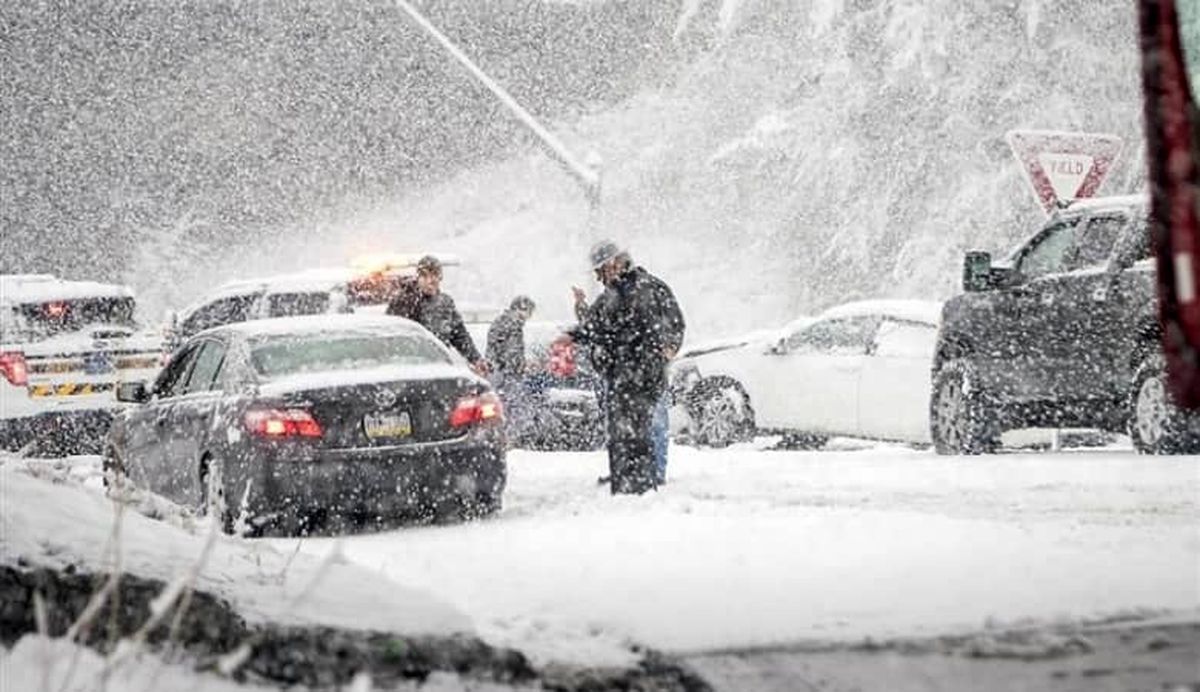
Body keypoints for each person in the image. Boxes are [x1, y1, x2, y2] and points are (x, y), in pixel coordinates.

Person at [568, 241, 684, 494]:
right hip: (622, 374)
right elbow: (594, 325)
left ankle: (652, 474)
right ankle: (630, 476)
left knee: (653, 425)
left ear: (616, 263)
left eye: (602, 271)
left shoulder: (649, 288)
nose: (599, 278)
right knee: (626, 430)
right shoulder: (612, 295)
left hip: (645, 373)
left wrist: (670, 346)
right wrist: (577, 324)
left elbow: (674, 322)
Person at [385, 255, 488, 375]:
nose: (430, 281)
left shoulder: (445, 303)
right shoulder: (403, 301)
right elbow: (392, 336)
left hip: (441, 367)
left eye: (434, 275)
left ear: (440, 278)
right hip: (411, 369)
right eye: (425, 276)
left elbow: (459, 335)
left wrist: (475, 359)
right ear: (418, 277)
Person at [486, 295, 536, 443]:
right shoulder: (511, 323)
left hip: (503, 371)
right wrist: (515, 365)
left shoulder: (507, 322)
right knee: (513, 406)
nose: (529, 317)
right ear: (521, 309)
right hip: (505, 373)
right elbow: (508, 351)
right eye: (529, 312)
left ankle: (504, 436)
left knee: (508, 405)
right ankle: (507, 437)